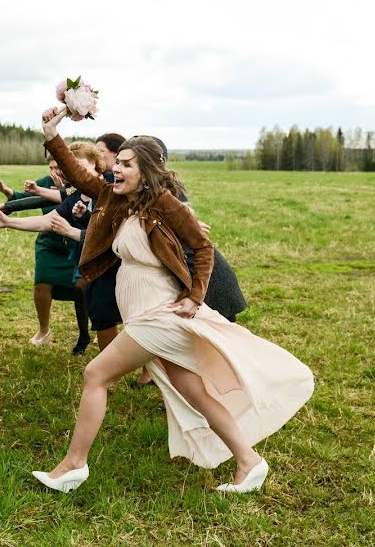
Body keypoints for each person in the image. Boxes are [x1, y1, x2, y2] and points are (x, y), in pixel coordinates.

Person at [32, 107, 313, 494]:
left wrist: (195, 297)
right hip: (145, 314)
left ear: (145, 170)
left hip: (159, 315)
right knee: (194, 391)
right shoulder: (117, 198)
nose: (117, 170)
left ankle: (73, 465)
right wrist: (51, 133)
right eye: (118, 163)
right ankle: (249, 462)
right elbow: (80, 174)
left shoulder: (165, 204)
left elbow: (203, 248)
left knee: (95, 375)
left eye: (127, 164)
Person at [0, 141, 105, 355]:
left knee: (101, 294)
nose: (78, 174)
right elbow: (47, 221)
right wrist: (8, 222)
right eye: (74, 169)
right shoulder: (76, 196)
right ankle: (83, 335)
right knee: (80, 286)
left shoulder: (109, 190)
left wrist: (72, 229)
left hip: (111, 254)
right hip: (82, 251)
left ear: (96, 165)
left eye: (82, 168)